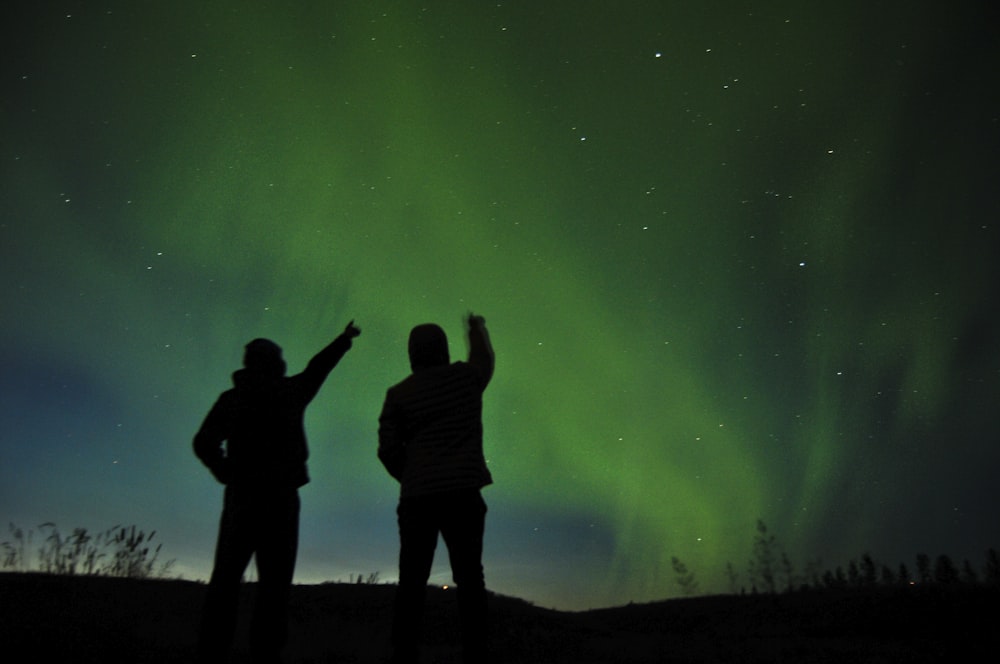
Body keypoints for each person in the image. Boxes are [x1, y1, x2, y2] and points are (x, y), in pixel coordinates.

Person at [193, 320, 361, 664]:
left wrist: (225, 471)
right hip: (281, 500)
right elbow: (318, 368)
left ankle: (213, 650)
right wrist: (343, 340)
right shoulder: (289, 392)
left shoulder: (233, 399)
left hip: (242, 497)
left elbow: (204, 442)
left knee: (226, 578)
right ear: (275, 363)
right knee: (274, 584)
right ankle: (265, 654)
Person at [378, 313, 495, 664]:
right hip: (463, 493)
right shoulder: (464, 379)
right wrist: (476, 330)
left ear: (412, 353)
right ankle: (476, 651)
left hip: (417, 499)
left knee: (411, 580)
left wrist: (413, 476)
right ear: (442, 349)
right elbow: (484, 360)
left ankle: (404, 652)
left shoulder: (398, 394)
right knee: (470, 578)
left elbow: (387, 450)